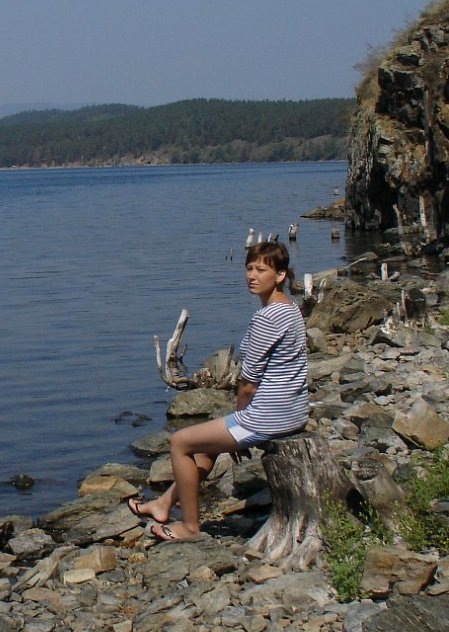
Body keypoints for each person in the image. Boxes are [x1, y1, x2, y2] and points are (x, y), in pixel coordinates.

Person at [127, 241, 308, 541]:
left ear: (280, 275)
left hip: (270, 417)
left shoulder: (267, 318)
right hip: (294, 412)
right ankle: (163, 504)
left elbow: (248, 384)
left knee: (180, 442)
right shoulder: (290, 309)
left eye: (261, 270)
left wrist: (239, 422)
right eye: (249, 268)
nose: (252, 276)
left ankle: (190, 527)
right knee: (207, 447)